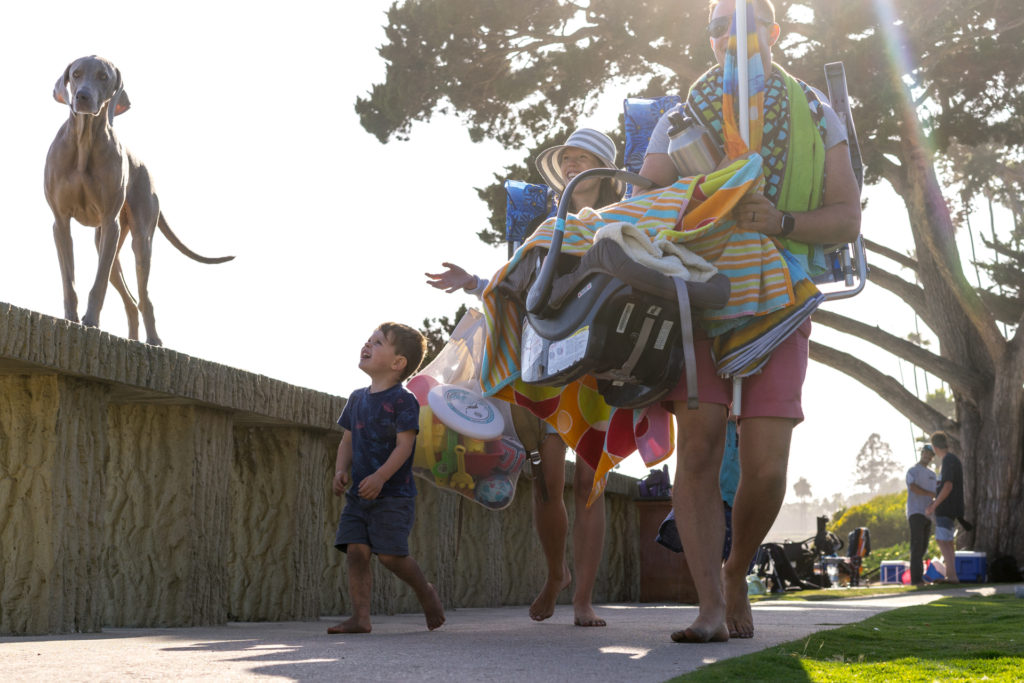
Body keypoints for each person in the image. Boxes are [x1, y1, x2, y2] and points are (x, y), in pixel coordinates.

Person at [638, 0, 862, 643]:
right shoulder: (677, 120)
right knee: (700, 447)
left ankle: (737, 570)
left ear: (775, 32)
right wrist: (703, 198)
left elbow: (847, 216)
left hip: (782, 291)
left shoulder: (818, 111)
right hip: (699, 289)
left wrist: (781, 222)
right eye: (717, 27)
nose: (731, 37)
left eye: (746, 25)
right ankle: (709, 605)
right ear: (707, 40)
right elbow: (645, 202)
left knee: (766, 467)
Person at [425, 127, 625, 627]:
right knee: (547, 482)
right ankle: (555, 574)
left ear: (604, 172)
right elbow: (512, 288)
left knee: (592, 481)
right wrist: (472, 281)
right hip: (545, 363)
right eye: (569, 159)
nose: (574, 165)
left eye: (585, 159)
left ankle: (583, 598)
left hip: (598, 365)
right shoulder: (543, 228)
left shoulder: (625, 218)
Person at [327, 322, 446, 634]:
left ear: (398, 363)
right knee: (355, 551)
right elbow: (347, 441)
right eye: (368, 339)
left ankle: (425, 592)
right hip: (359, 495)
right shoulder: (356, 399)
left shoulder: (402, 400)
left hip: (393, 496)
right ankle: (360, 617)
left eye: (377, 342)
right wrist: (341, 470)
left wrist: (380, 478)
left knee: (391, 556)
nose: (367, 344)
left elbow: (405, 446)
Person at [925, 430, 965, 584]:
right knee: (946, 541)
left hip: (946, 508)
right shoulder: (951, 460)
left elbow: (948, 485)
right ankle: (951, 574)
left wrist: (934, 505)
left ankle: (952, 576)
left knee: (943, 540)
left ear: (935, 447)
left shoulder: (949, 461)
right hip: (951, 507)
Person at [905, 443, 937, 585]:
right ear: (921, 453)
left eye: (930, 454)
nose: (927, 456)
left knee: (923, 546)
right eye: (925, 453)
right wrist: (929, 493)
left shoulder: (932, 474)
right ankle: (916, 579)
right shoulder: (912, 471)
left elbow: (937, 492)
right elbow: (913, 487)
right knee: (916, 546)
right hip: (915, 512)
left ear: (932, 457)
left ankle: (920, 577)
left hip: (928, 514)